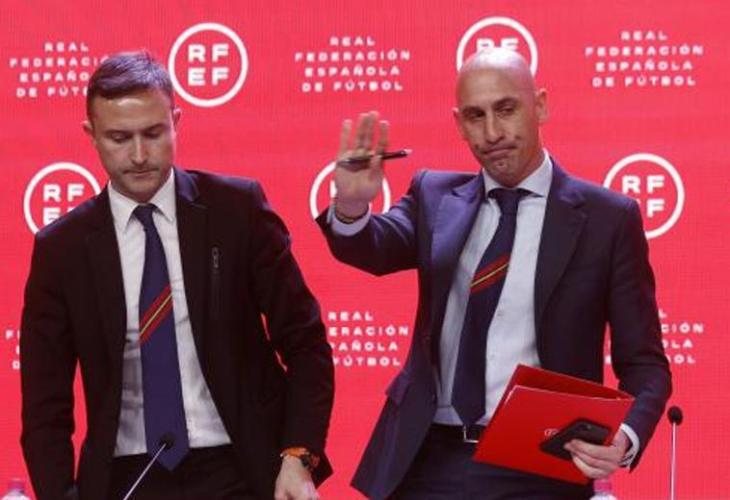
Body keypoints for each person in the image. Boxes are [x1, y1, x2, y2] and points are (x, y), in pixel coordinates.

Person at [317, 47, 671, 499]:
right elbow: (373, 248)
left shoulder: (608, 219)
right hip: (426, 460)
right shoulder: (433, 195)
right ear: (459, 123)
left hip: (541, 461)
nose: (492, 133)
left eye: (506, 110)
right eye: (475, 116)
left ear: (540, 106)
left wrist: (625, 438)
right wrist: (350, 206)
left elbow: (645, 364)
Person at [20, 50, 334, 500]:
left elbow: (305, 342)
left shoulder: (236, 211)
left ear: (177, 122)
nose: (139, 155)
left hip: (241, 468)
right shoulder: (62, 248)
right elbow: (44, 405)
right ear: (91, 135)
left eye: (153, 133)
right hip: (125, 476)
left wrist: (298, 457)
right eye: (119, 138)